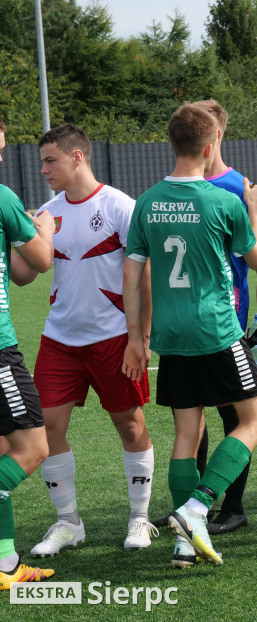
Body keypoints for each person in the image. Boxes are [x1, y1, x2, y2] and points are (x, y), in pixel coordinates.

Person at [123, 102, 257, 569]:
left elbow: (132, 276)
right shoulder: (224, 201)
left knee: (187, 433)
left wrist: (135, 338)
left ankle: (185, 543)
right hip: (217, 330)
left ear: (172, 144)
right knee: (256, 421)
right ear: (210, 146)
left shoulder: (147, 201)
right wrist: (254, 210)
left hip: (170, 336)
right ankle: (198, 506)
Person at [27, 125, 156, 558]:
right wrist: (23, 232)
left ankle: (139, 516)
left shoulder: (120, 206)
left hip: (114, 339)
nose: (44, 169)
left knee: (130, 425)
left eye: (50, 160)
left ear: (77, 157)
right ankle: (68, 523)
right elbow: (28, 272)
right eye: (42, 161)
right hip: (59, 340)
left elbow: (144, 275)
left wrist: (141, 337)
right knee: (47, 429)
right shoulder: (47, 212)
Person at [191, 99, 256, 535]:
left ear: (216, 134)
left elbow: (256, 258)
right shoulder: (179, 187)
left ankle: (233, 507)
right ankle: (194, 504)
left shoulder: (238, 188)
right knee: (190, 417)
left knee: (235, 417)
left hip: (227, 321)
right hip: (188, 324)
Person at [0, 117, 57, 591]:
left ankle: (4, 564)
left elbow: (19, 274)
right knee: (32, 449)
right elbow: (40, 260)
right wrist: (45, 230)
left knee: (2, 451)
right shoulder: (2, 197)